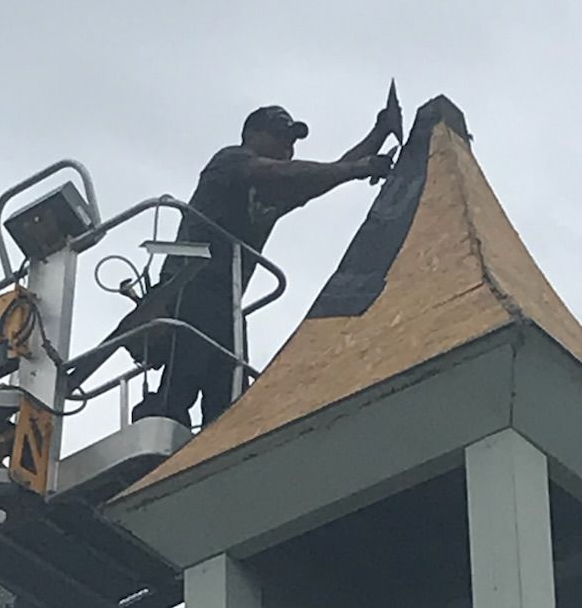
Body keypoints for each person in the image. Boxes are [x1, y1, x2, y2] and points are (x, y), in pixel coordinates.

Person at [105, 101, 399, 430]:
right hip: (189, 287)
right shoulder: (230, 161)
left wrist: (378, 134)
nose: (287, 148)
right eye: (280, 137)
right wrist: (356, 169)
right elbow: (287, 172)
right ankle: (163, 421)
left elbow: (329, 171)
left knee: (229, 397)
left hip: (227, 303)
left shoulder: (274, 193)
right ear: (253, 136)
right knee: (184, 373)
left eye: (292, 142)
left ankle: (215, 446)